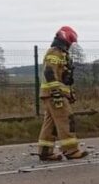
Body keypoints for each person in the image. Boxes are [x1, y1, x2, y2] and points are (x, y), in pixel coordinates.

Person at [37, 25, 88, 161]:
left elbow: (63, 78)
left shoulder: (60, 53)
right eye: (70, 42)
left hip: (52, 94)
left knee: (51, 123)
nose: (70, 44)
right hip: (54, 94)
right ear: (64, 39)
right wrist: (56, 92)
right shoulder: (55, 52)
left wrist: (69, 94)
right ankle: (71, 151)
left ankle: (45, 152)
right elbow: (49, 72)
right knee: (67, 120)